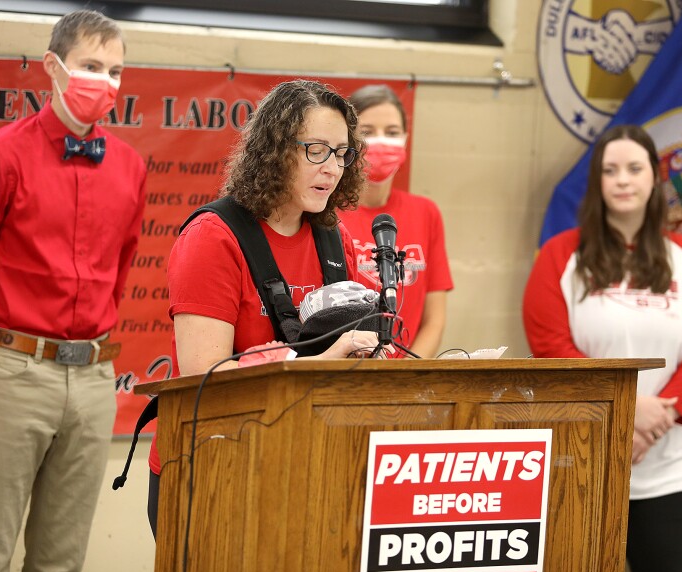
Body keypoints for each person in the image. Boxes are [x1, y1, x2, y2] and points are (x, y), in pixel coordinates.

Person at [0, 10, 147, 572]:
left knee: (61, 563)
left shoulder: (129, 167)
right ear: (53, 67)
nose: (105, 82)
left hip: (96, 379)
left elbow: (120, 271)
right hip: (13, 370)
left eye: (116, 71)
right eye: (90, 66)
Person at [146, 79, 387, 536]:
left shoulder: (335, 239)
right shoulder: (213, 237)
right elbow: (204, 381)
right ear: (275, 150)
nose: (332, 167)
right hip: (213, 463)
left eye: (342, 153)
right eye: (316, 150)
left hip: (304, 461)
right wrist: (315, 363)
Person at [522, 124, 682, 572]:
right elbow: (550, 345)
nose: (622, 180)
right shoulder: (559, 256)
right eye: (610, 170)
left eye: (634, 168)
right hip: (580, 469)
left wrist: (656, 420)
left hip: (668, 474)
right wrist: (627, 409)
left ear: (654, 177)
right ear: (598, 181)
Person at [339, 84, 453, 358]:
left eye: (391, 133)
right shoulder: (326, 213)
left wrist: (406, 374)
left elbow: (433, 320)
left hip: (406, 376)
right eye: (367, 132)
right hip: (342, 371)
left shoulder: (426, 213)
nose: (380, 142)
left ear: (405, 138)